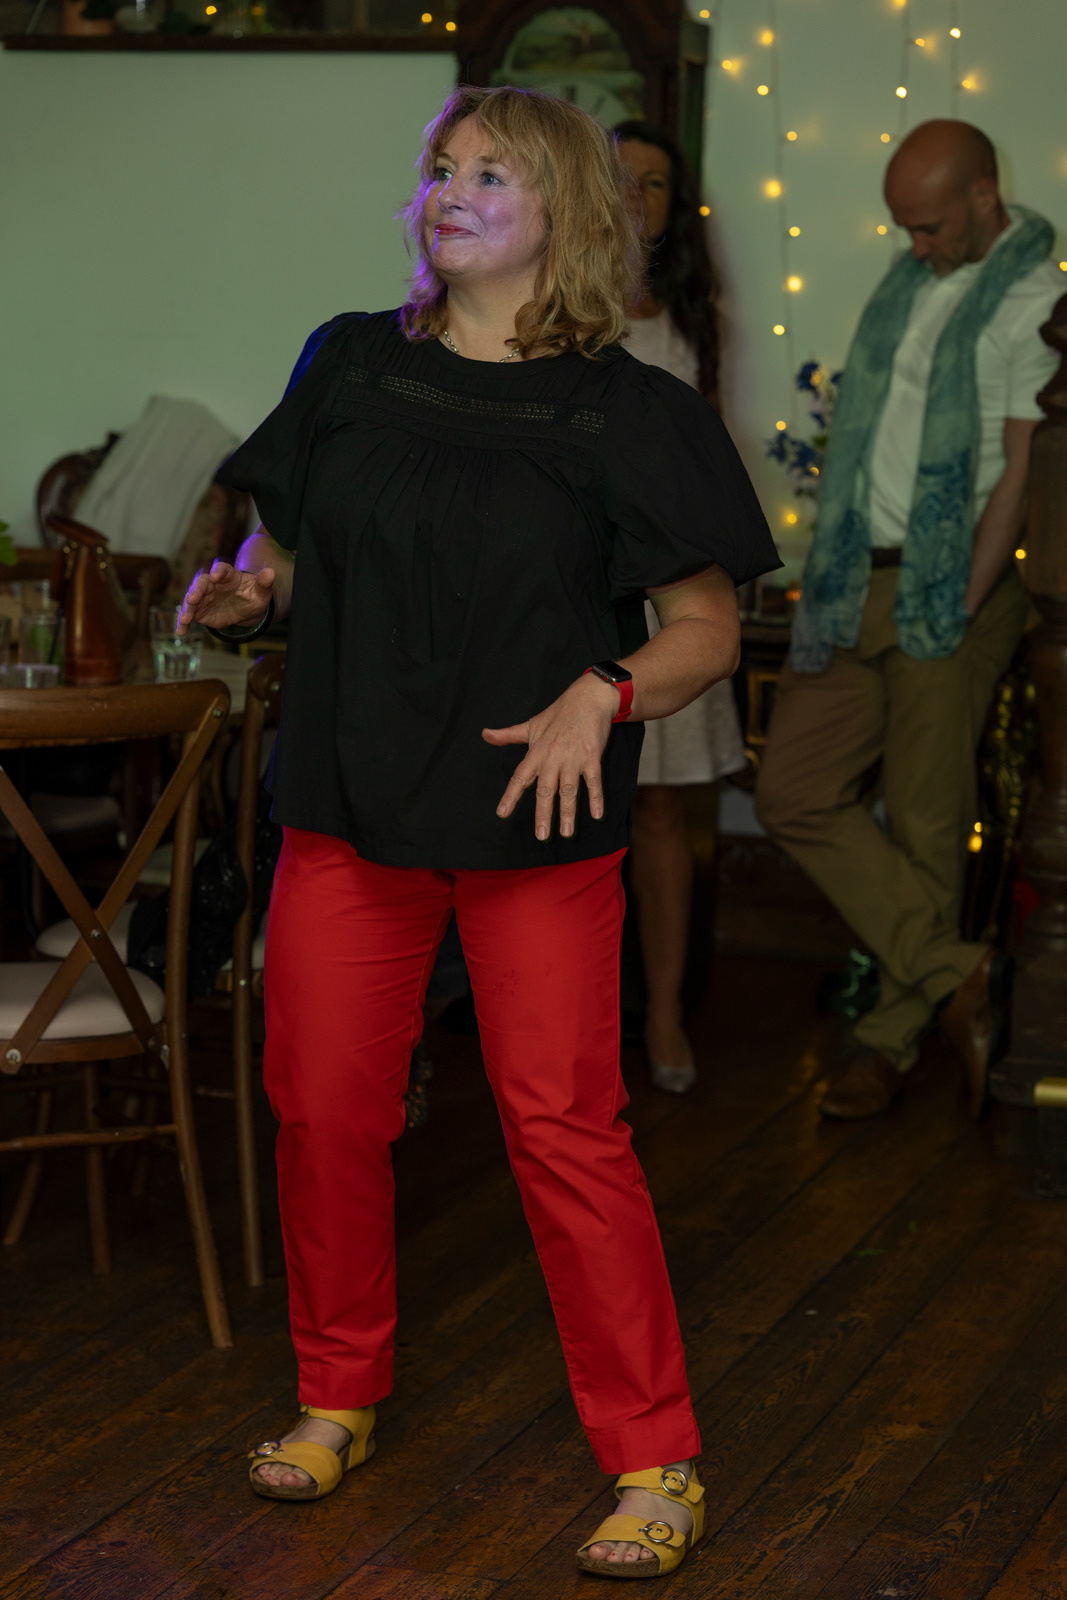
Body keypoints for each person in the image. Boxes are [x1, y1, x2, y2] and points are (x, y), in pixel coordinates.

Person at [180, 85, 777, 1577]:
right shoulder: (350, 362)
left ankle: (652, 1453)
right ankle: (335, 1393)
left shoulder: (630, 412)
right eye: (441, 169)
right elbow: (287, 542)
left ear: (564, 211)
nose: (451, 192)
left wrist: (606, 691)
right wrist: (250, 584)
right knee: (323, 1109)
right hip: (351, 803)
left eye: (492, 174)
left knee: (563, 1132)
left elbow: (707, 627)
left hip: (533, 821)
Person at [756, 120, 1062, 1121]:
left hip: (952, 581)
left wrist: (960, 601)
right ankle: (959, 972)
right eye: (903, 227)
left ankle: (886, 1044)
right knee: (791, 789)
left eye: (928, 226)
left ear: (983, 195)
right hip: (857, 576)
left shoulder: (1033, 298)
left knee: (926, 821)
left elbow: (1019, 469)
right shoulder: (906, 283)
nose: (914, 244)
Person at [614, 120, 749, 1095]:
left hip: (667, 583)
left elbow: (712, 466)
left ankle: (661, 1008)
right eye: (618, 177)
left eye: (654, 182)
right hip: (573, 583)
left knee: (659, 805)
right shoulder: (539, 302)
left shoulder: (697, 323)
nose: (634, 196)